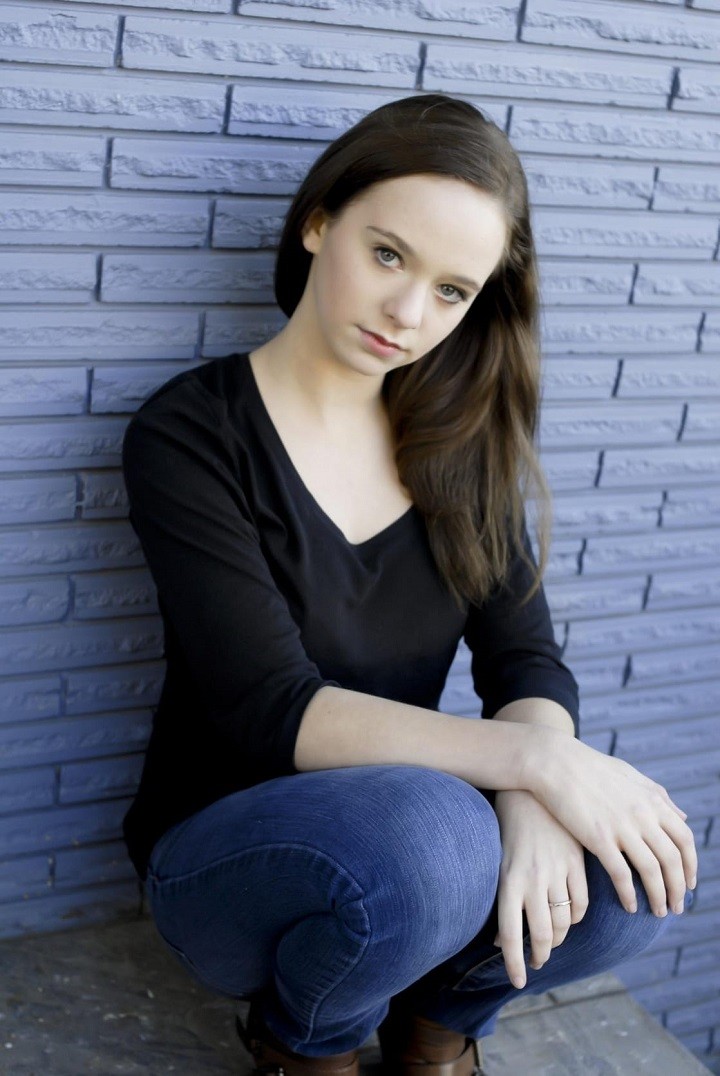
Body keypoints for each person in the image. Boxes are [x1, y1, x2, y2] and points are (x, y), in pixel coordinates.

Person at [121, 94, 697, 1076]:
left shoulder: (460, 450)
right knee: (437, 831)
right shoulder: (190, 432)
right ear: (318, 221)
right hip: (222, 857)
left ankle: (438, 1027)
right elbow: (277, 710)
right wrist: (533, 766)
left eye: (451, 290)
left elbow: (527, 660)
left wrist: (534, 784)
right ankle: (308, 1035)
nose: (406, 314)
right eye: (388, 255)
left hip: (415, 854)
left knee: (633, 858)